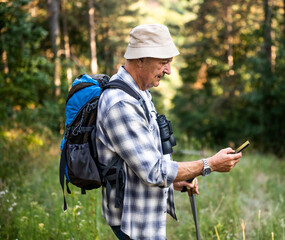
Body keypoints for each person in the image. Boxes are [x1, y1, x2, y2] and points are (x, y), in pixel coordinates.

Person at [96, 24, 242, 240]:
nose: (168, 71)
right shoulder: (121, 104)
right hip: (134, 220)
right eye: (163, 63)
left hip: (145, 214)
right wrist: (208, 164)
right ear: (140, 60)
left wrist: (174, 180)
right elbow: (154, 171)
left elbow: (142, 158)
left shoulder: (140, 92)